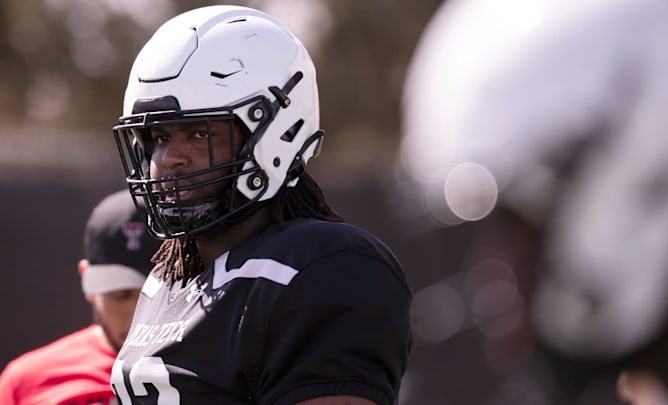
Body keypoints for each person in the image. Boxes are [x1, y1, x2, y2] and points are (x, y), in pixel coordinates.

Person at [110, 5, 412, 405]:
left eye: (199, 134)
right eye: (160, 137)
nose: (168, 158)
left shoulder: (324, 268)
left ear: (276, 132)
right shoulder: (165, 281)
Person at [0, 190, 161, 404]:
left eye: (154, 295)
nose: (137, 312)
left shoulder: (211, 374)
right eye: (120, 294)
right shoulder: (26, 382)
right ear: (88, 281)